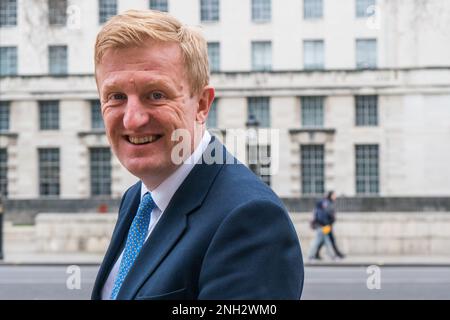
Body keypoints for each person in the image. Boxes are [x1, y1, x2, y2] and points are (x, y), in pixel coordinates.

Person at [91, 10, 304, 300]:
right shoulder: (137, 198)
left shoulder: (250, 218)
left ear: (202, 104)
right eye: (116, 97)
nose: (132, 120)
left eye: (156, 94)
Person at [308, 191, 344, 261]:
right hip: (323, 226)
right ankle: (311, 256)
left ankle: (332, 256)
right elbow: (324, 215)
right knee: (319, 241)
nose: (335, 197)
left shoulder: (325, 203)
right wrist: (329, 221)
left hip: (325, 226)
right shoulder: (326, 203)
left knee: (327, 241)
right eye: (334, 195)